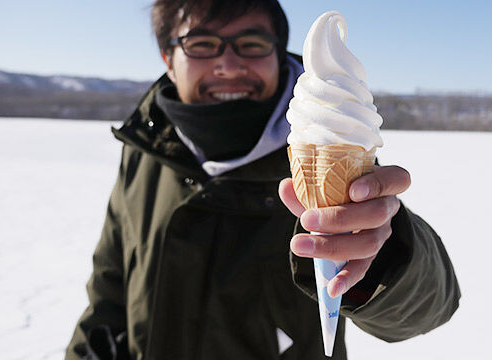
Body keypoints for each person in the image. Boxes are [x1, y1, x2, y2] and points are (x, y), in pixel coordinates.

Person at [65, 1, 460, 359]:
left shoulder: (325, 140)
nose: (230, 65)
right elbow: (109, 290)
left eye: (251, 43)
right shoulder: (144, 151)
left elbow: (430, 307)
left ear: (276, 51)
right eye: (202, 44)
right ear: (168, 58)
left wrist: (383, 259)